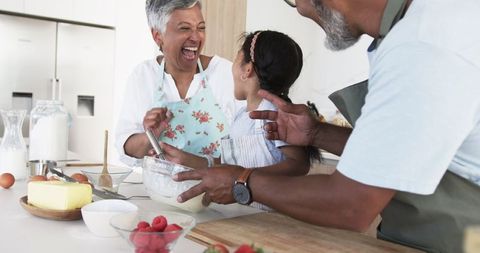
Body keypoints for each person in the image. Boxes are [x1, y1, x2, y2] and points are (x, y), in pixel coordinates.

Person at [173, 0, 480, 252]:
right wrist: (318, 134)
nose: (300, 10)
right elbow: (403, 152)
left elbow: (351, 206)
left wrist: (242, 183)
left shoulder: (422, 46)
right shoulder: (412, 29)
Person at [155, 30, 316, 209]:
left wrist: (243, 178)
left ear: (247, 70)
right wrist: (186, 159)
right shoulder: (241, 116)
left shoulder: (272, 113)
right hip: (244, 215)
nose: (231, 67)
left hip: (272, 218)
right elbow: (227, 166)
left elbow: (299, 164)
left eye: (237, 59)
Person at [115, 0, 243, 166]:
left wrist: (201, 163)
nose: (196, 37)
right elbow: (126, 148)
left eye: (201, 28)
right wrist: (150, 135)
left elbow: (248, 154)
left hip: (216, 192)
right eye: (184, 28)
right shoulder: (144, 76)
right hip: (158, 191)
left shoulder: (225, 74)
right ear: (157, 36)